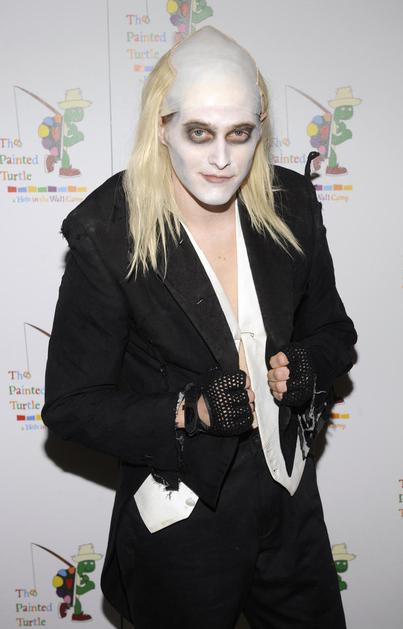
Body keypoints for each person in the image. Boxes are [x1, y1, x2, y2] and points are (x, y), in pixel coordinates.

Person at [42, 26, 357, 629]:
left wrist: (309, 365)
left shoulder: (292, 203)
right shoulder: (108, 234)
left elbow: (334, 330)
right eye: (199, 133)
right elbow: (72, 405)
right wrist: (192, 411)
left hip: (291, 504)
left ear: (260, 127)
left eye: (240, 134)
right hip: (182, 521)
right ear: (161, 126)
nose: (221, 158)